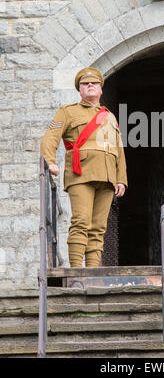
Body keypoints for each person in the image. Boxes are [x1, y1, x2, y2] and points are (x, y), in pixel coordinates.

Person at [40, 67, 127, 268]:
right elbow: (50, 138)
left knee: (98, 228)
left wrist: (121, 178)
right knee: (81, 222)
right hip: (81, 174)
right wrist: (50, 161)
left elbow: (118, 150)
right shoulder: (68, 111)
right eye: (85, 84)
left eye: (94, 83)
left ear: (100, 90)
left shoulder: (110, 117)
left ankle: (93, 272)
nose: (90, 86)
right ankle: (77, 271)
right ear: (80, 90)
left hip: (107, 177)